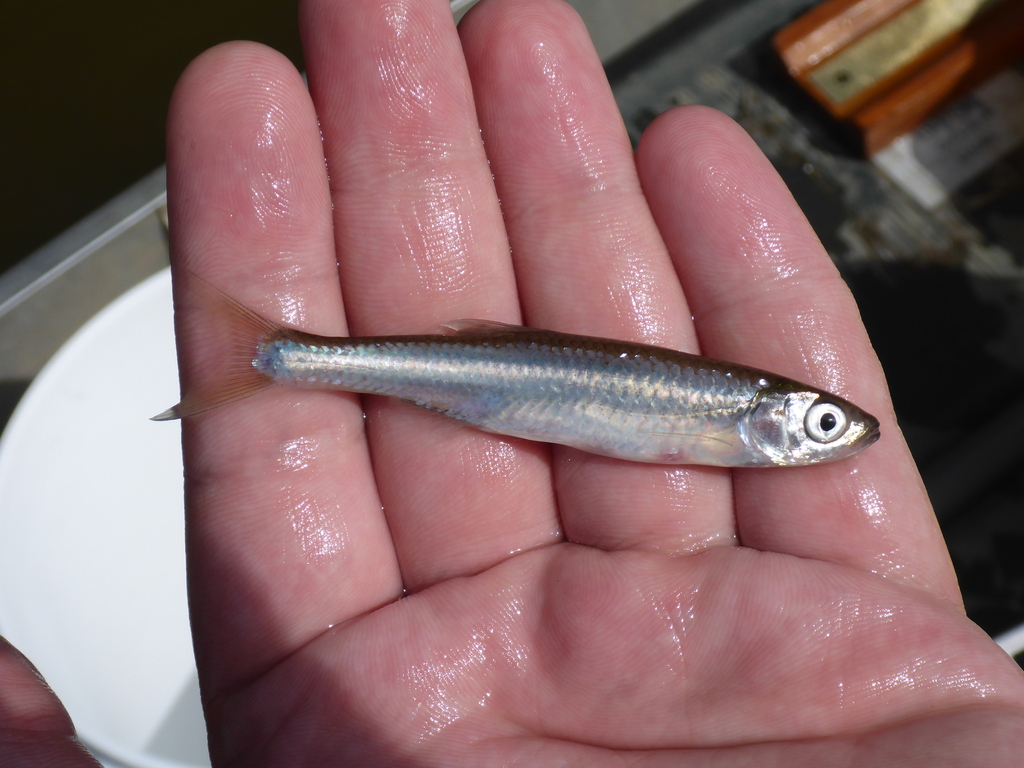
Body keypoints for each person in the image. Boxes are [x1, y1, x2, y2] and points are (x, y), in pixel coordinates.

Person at [5, 0, 1024, 765]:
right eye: (816, 419)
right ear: (765, 413)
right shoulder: (736, 420)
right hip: (442, 370)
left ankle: (282, 356)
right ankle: (280, 355)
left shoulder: (742, 425)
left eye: (819, 421)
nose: (823, 432)